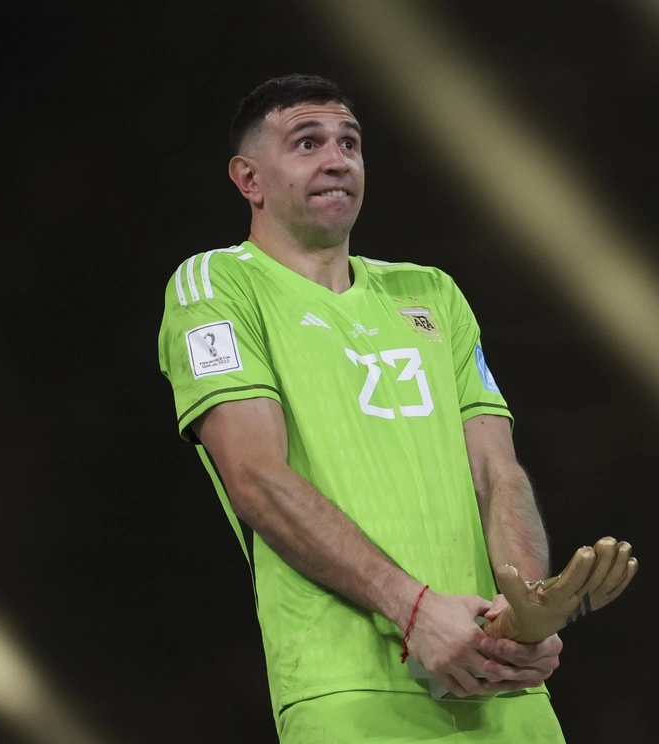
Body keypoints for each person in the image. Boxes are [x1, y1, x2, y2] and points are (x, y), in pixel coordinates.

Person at [157, 73, 572, 742]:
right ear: (249, 180)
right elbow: (256, 477)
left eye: (349, 142)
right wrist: (413, 611)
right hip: (346, 686)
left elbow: (500, 473)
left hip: (499, 684)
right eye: (307, 142)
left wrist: (525, 611)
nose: (337, 159)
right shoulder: (216, 285)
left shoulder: (430, 293)